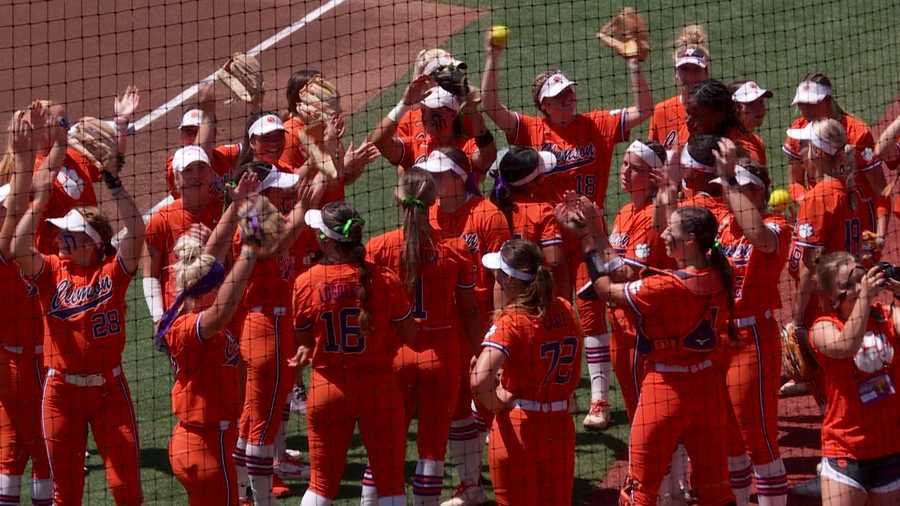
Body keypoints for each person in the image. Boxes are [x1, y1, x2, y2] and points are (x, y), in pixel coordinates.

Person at [560, 195, 736, 506]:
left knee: (638, 488)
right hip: (708, 390)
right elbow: (628, 272)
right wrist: (600, 231)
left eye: (671, 231)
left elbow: (605, 289)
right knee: (716, 489)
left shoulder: (666, 288)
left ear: (690, 241)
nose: (664, 235)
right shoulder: (719, 273)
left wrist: (588, 241)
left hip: (665, 390)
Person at [11, 101, 145, 505]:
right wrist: (37, 206)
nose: (63, 239)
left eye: (71, 234)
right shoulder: (52, 270)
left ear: (93, 241)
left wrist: (116, 169)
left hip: (109, 390)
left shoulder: (112, 275)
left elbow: (134, 228)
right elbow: (18, 245)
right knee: (64, 491)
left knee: (126, 487)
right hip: (61, 393)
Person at [363, 167, 482, 505]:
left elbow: (368, 311)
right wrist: (481, 351)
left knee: (384, 446)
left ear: (396, 198)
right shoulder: (455, 248)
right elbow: (470, 311)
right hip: (441, 358)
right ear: (433, 201)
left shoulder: (378, 248)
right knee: (432, 449)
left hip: (394, 357)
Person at [291, 201, 417, 506]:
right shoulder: (386, 280)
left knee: (320, 485)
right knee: (390, 483)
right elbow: (409, 334)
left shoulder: (305, 283)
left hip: (328, 389)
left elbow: (304, 338)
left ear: (324, 240)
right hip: (379, 388)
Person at [158, 172, 261, 505]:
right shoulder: (190, 327)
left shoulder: (185, 298)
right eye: (216, 284)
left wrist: (237, 204)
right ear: (204, 292)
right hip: (207, 446)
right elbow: (224, 308)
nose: (221, 286)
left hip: (193, 442)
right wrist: (249, 252)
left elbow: (213, 254)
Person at [416, 147, 510, 505]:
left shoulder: (487, 216)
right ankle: (471, 486)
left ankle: (511, 473)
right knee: (457, 408)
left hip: (484, 326)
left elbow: (503, 278)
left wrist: (499, 330)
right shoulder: (429, 215)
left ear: (459, 176)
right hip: (444, 330)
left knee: (493, 404)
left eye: (439, 175)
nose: (432, 181)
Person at [229, 160, 323, 505]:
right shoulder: (250, 218)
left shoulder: (265, 217)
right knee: (262, 425)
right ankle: (261, 500)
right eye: (277, 187)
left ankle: (239, 495)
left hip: (271, 326)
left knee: (251, 420)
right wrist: (303, 208)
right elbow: (269, 247)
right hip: (266, 328)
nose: (285, 192)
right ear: (259, 190)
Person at [480, 27, 652, 205]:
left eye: (568, 90)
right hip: (548, 227)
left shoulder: (598, 124)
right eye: (559, 95)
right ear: (545, 105)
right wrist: (493, 55)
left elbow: (644, 110)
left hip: (590, 226)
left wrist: (634, 65)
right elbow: (490, 106)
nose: (568, 97)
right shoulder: (530, 129)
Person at [471, 239, 582, 505]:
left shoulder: (513, 322)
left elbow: (479, 379)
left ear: (508, 280)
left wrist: (495, 402)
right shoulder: (566, 309)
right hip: (560, 428)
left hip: (519, 432)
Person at [712, 139, 791, 505]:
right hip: (721, 339)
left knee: (757, 435)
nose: (726, 197)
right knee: (728, 435)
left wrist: (727, 177)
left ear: (756, 191)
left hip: (753, 339)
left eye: (736, 189)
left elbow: (759, 237)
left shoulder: (777, 226)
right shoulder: (723, 227)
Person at [576, 139, 672, 430]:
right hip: (621, 326)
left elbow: (625, 273)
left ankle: (671, 475)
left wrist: (594, 227)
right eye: (625, 164)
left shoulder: (651, 218)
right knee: (636, 413)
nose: (624, 171)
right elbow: (607, 261)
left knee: (653, 415)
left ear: (653, 177)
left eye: (634, 168)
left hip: (644, 332)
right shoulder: (625, 213)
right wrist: (585, 229)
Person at [808, 253, 900, 506]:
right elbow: (846, 345)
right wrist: (865, 299)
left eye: (861, 279)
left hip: (890, 447)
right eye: (848, 285)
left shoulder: (885, 315)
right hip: (845, 451)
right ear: (830, 297)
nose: (859, 287)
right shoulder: (823, 326)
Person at [0, 109, 52, 506]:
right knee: (44, 446)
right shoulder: (6, 252)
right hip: (22, 363)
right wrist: (21, 155)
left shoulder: (30, 250)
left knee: (13, 446)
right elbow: (19, 204)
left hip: (25, 359)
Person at [782, 72, 887, 244]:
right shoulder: (798, 130)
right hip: (822, 217)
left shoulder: (858, 133)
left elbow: (880, 190)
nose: (805, 111)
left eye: (811, 104)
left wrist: (880, 236)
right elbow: (795, 182)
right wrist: (809, 203)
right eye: (801, 105)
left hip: (860, 221)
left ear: (828, 101)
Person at [369, 73, 497, 184]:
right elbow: (379, 141)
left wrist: (473, 113)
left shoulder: (466, 146)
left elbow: (487, 158)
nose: (426, 117)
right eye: (424, 111)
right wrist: (404, 103)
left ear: (453, 114)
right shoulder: (416, 143)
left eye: (435, 112)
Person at [144, 145, 222, 327]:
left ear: (211, 173)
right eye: (188, 170)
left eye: (201, 168)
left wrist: (215, 242)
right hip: (180, 320)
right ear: (177, 179)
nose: (196, 175)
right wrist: (158, 317)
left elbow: (236, 264)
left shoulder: (225, 212)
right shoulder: (161, 220)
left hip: (221, 314)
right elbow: (150, 274)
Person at [280, 69, 379, 203]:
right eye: (320, 92)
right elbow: (287, 191)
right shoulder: (289, 134)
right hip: (310, 219)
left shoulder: (327, 127)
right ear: (303, 100)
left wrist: (357, 164)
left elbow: (341, 180)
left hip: (334, 213)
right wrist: (343, 164)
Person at [488, 146, 568, 296]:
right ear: (532, 182)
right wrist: (560, 226)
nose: (544, 177)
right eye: (540, 175)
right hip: (533, 293)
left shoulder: (491, 208)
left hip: (502, 290)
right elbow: (554, 260)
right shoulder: (542, 210)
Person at [163, 82, 241, 198]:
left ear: (214, 133)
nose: (194, 136)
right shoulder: (176, 165)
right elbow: (198, 152)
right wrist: (208, 115)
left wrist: (254, 106)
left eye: (199, 131)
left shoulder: (224, 155)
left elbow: (255, 146)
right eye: (189, 131)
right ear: (181, 134)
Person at [648, 24, 711, 154]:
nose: (690, 76)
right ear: (676, 74)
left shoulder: (717, 110)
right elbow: (653, 158)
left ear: (706, 73)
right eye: (684, 69)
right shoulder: (661, 111)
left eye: (696, 69)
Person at [729, 80, 773, 165]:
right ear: (734, 107)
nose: (759, 108)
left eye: (761, 102)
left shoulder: (757, 141)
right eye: (751, 103)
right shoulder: (728, 143)